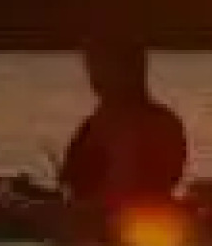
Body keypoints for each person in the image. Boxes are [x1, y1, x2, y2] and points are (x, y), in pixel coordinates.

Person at [57, 38, 188, 204]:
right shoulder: (90, 126)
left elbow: (161, 183)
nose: (92, 77)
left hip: (139, 222)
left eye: (99, 66)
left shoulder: (161, 124)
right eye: (91, 67)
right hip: (89, 220)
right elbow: (72, 183)